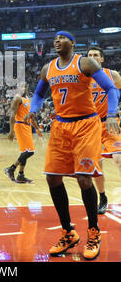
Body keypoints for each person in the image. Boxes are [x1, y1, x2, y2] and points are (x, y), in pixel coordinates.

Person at [24, 31, 120, 261]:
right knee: (52, 178)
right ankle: (68, 232)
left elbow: (112, 89)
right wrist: (33, 110)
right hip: (60, 126)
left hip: (86, 124)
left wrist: (111, 114)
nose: (57, 41)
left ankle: (93, 233)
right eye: (55, 38)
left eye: (62, 37)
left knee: (83, 178)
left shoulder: (85, 62)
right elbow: (38, 94)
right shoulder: (48, 68)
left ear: (72, 43)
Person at [87, 46, 121, 214]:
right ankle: (103, 197)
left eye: (96, 55)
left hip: (109, 123)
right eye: (90, 55)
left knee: (119, 159)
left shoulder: (112, 75)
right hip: (90, 126)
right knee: (96, 167)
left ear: (102, 59)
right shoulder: (82, 77)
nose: (92, 57)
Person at [4, 82, 42, 184]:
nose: (22, 88)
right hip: (20, 125)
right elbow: (12, 115)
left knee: (25, 151)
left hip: (27, 126)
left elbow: (30, 116)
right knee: (30, 151)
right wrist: (11, 131)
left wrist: (37, 129)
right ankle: (11, 169)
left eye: (24, 86)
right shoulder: (17, 98)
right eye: (20, 86)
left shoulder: (28, 99)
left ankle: (21, 176)